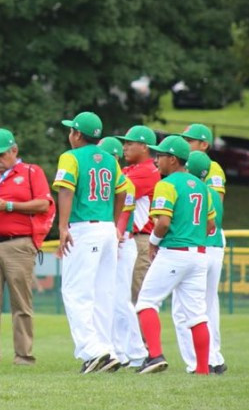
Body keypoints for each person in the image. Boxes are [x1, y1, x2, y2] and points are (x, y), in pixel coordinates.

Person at [54, 112, 133, 374]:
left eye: (71, 130)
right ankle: (107, 350)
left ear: (77, 134)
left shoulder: (71, 157)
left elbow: (66, 189)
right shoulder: (110, 159)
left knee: (76, 292)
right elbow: (122, 191)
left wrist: (62, 226)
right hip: (107, 229)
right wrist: (113, 222)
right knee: (103, 293)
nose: (70, 135)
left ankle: (93, 351)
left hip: (83, 228)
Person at [134, 135, 216, 375]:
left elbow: (163, 222)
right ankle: (203, 368)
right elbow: (211, 224)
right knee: (197, 315)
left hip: (174, 252)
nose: (156, 159)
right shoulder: (201, 186)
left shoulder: (167, 184)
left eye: (160, 155)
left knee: (146, 302)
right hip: (199, 255)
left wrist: (153, 242)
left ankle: (155, 356)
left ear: (172, 159)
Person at [0, 128, 53, 366]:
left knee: (21, 303)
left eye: (1, 154)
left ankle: (23, 356)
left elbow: (44, 204)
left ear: (14, 150)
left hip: (18, 244)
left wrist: (9, 206)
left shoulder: (31, 172)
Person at [173, 150, 228, 375]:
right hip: (216, 248)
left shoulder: (187, 190)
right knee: (208, 306)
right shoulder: (212, 192)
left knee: (183, 310)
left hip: (198, 249)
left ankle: (197, 363)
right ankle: (214, 358)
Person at [99, 136, 144, 370]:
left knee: (120, 300)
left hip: (123, 242)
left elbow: (124, 215)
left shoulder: (125, 182)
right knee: (110, 298)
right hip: (113, 241)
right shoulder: (107, 181)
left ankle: (137, 352)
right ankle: (118, 351)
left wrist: (115, 236)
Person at [116, 125, 161, 304]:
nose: (124, 147)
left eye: (129, 143)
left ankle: (145, 325)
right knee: (125, 296)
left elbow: (114, 193)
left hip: (141, 240)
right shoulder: (132, 169)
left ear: (144, 147)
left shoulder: (146, 171)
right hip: (133, 239)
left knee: (138, 299)